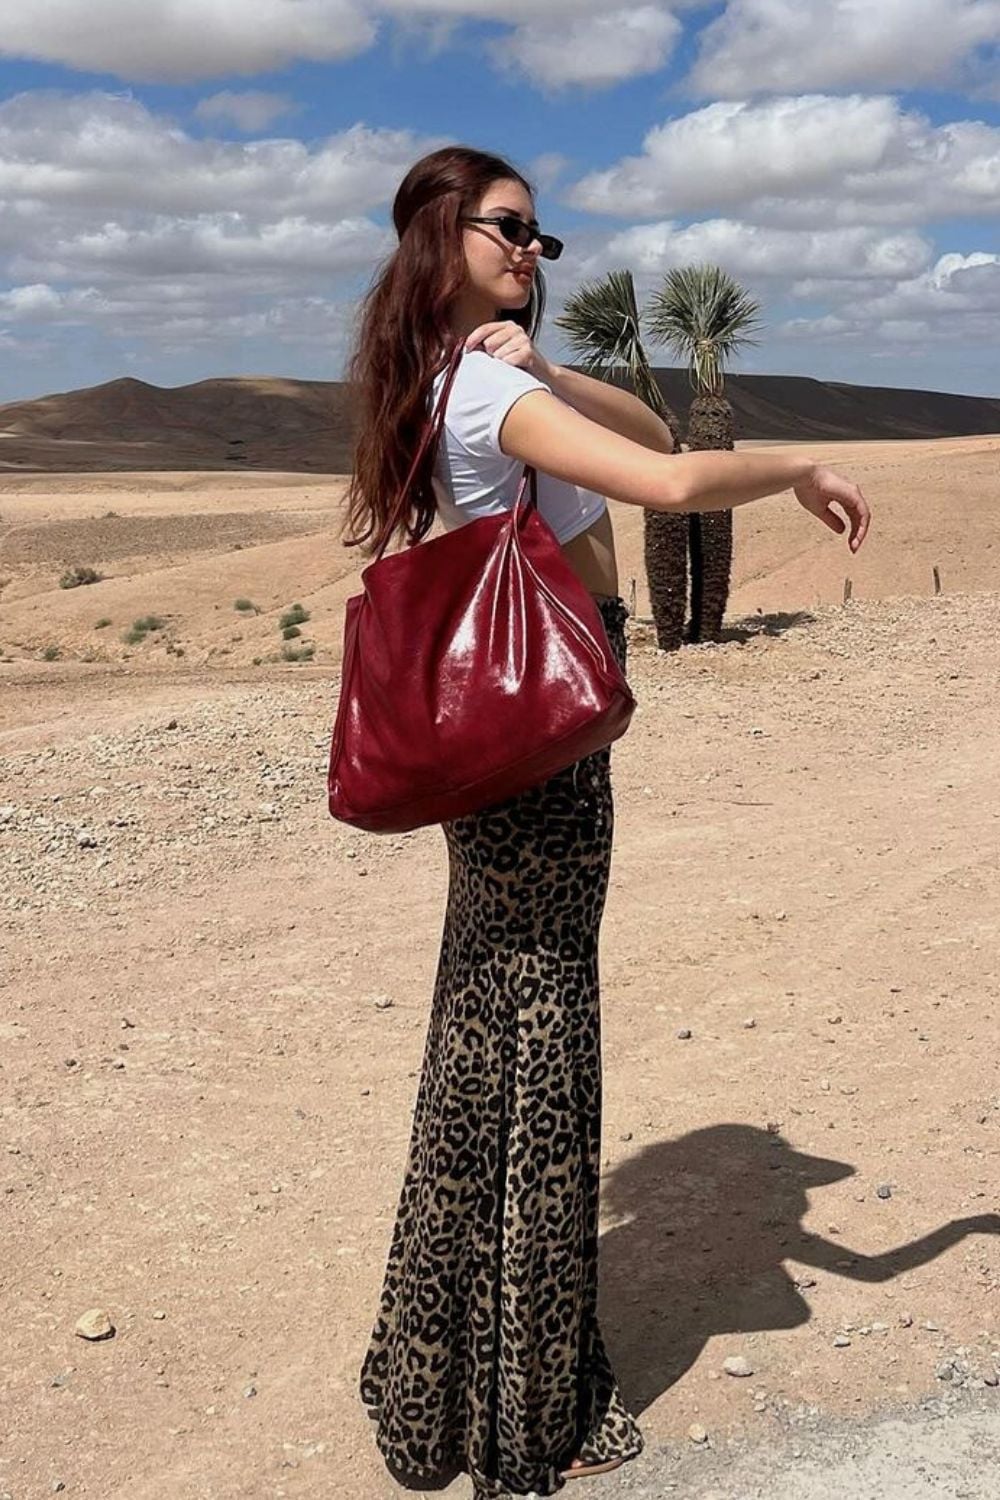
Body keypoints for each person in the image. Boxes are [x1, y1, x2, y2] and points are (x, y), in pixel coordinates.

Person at [343, 146, 871, 1499]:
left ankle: (439, 1374)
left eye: (543, 237)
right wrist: (802, 460)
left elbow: (639, 429)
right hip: (543, 734)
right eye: (510, 229)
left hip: (525, 728)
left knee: (486, 1029)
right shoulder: (483, 403)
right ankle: (526, 1409)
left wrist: (545, 363)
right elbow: (677, 485)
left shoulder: (482, 381)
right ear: (440, 237)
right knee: (541, 1037)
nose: (534, 248)